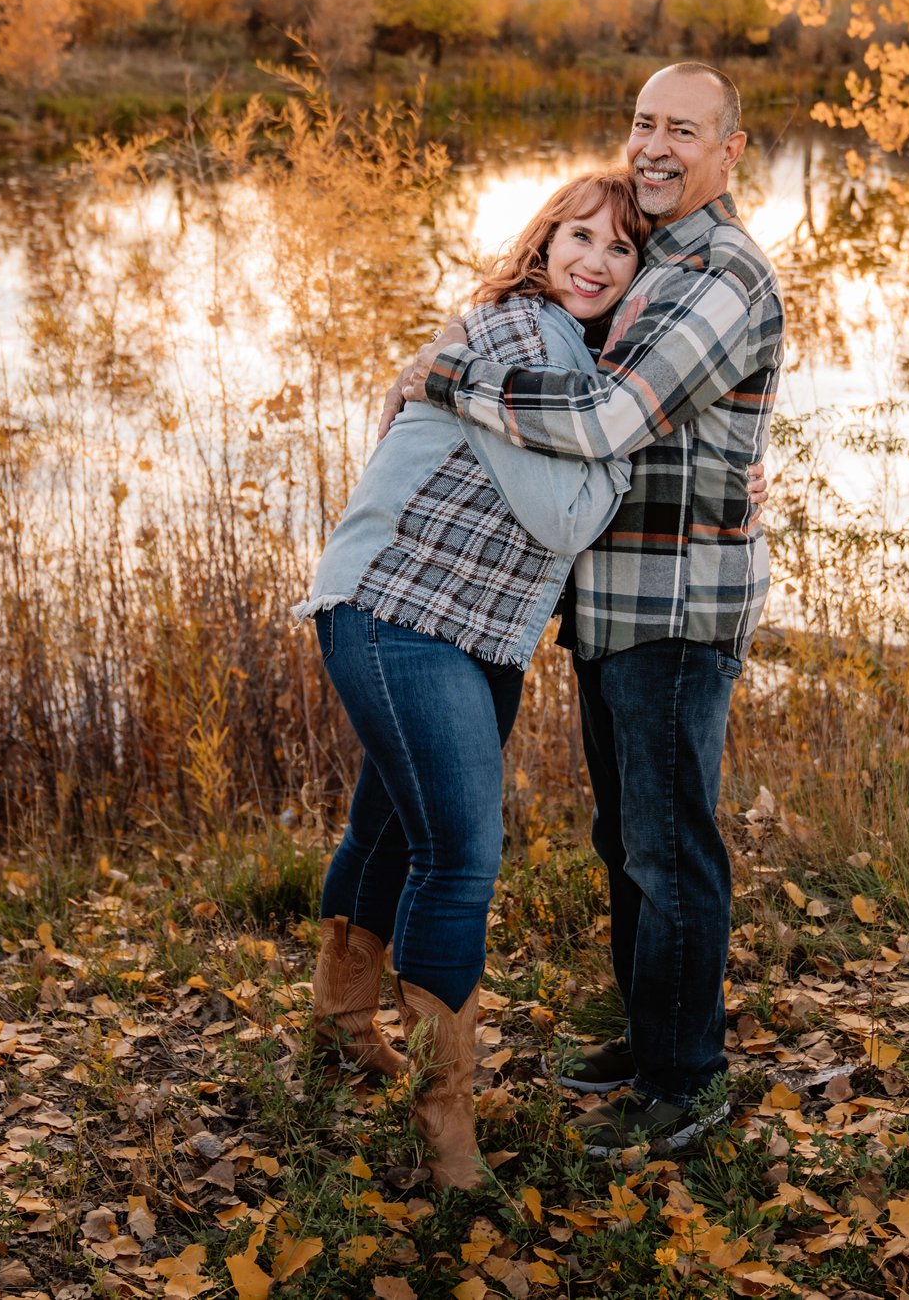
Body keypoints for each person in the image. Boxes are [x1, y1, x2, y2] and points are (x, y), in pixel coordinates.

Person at [389, 62, 784, 1158]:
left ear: (729, 148)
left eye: (683, 130)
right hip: (614, 603)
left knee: (671, 848)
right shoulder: (652, 257)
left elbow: (610, 417)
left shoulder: (721, 274)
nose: (655, 145)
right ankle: (656, 1039)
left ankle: (686, 1078)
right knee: (629, 840)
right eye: (644, 123)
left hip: (673, 606)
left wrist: (455, 382)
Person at [299, 170, 648, 1189]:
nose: (592, 258)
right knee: (460, 852)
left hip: (471, 632)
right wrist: (626, 451)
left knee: (388, 831)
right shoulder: (526, 333)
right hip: (395, 614)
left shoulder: (570, 358)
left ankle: (336, 1033)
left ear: (638, 271)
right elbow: (566, 516)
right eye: (576, 234)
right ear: (542, 244)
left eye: (619, 248)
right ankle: (443, 1119)